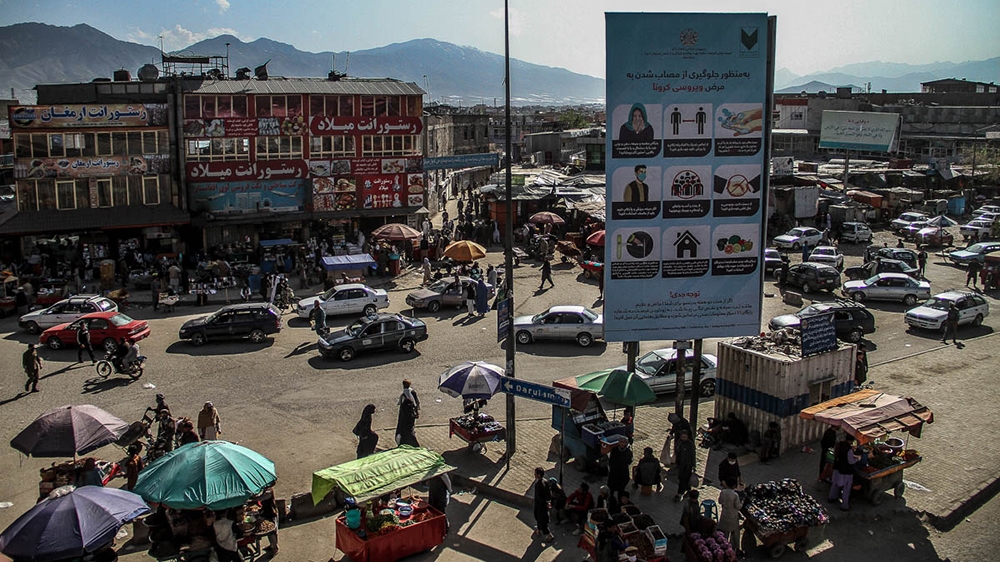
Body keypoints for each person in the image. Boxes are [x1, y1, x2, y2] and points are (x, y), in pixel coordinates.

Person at [829, 438, 859, 511]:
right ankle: (844, 506)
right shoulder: (848, 450)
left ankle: (831, 498)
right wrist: (858, 459)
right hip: (846, 471)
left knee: (835, 484)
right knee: (846, 489)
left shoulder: (839, 445)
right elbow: (851, 461)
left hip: (837, 469)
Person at [717, 478, 743, 548]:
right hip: (733, 517)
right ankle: (736, 548)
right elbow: (738, 507)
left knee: (725, 534)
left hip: (724, 515)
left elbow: (720, 501)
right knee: (735, 534)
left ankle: (724, 548)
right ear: (734, 485)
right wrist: (742, 503)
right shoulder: (735, 495)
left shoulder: (723, 492)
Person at [531, 467, 554, 542]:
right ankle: (538, 529)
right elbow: (549, 494)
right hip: (545, 504)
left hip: (540, 505)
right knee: (541, 518)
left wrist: (544, 503)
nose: (534, 474)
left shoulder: (538, 485)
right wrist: (548, 502)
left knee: (541, 519)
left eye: (535, 473)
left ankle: (548, 535)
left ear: (539, 475)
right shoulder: (545, 482)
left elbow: (539, 497)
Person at [396, 380, 420, 447]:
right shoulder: (411, 392)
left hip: (407, 413)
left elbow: (414, 403)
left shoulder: (407, 393)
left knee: (406, 427)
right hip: (409, 413)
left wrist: (416, 412)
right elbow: (417, 403)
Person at [674, 430, 696, 502]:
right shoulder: (679, 442)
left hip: (687, 465)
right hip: (680, 464)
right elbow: (677, 451)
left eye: (685, 437)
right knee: (682, 478)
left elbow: (693, 455)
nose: (683, 438)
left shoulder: (690, 444)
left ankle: (679, 493)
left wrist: (693, 465)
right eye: (682, 437)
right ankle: (688, 489)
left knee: (683, 479)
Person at [257, 486, 279, 553]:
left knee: (272, 532)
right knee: (270, 533)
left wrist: (251, 499)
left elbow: (261, 498)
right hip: (266, 512)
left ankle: (274, 548)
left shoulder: (268, 492)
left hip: (271, 512)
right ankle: (272, 545)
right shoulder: (264, 490)